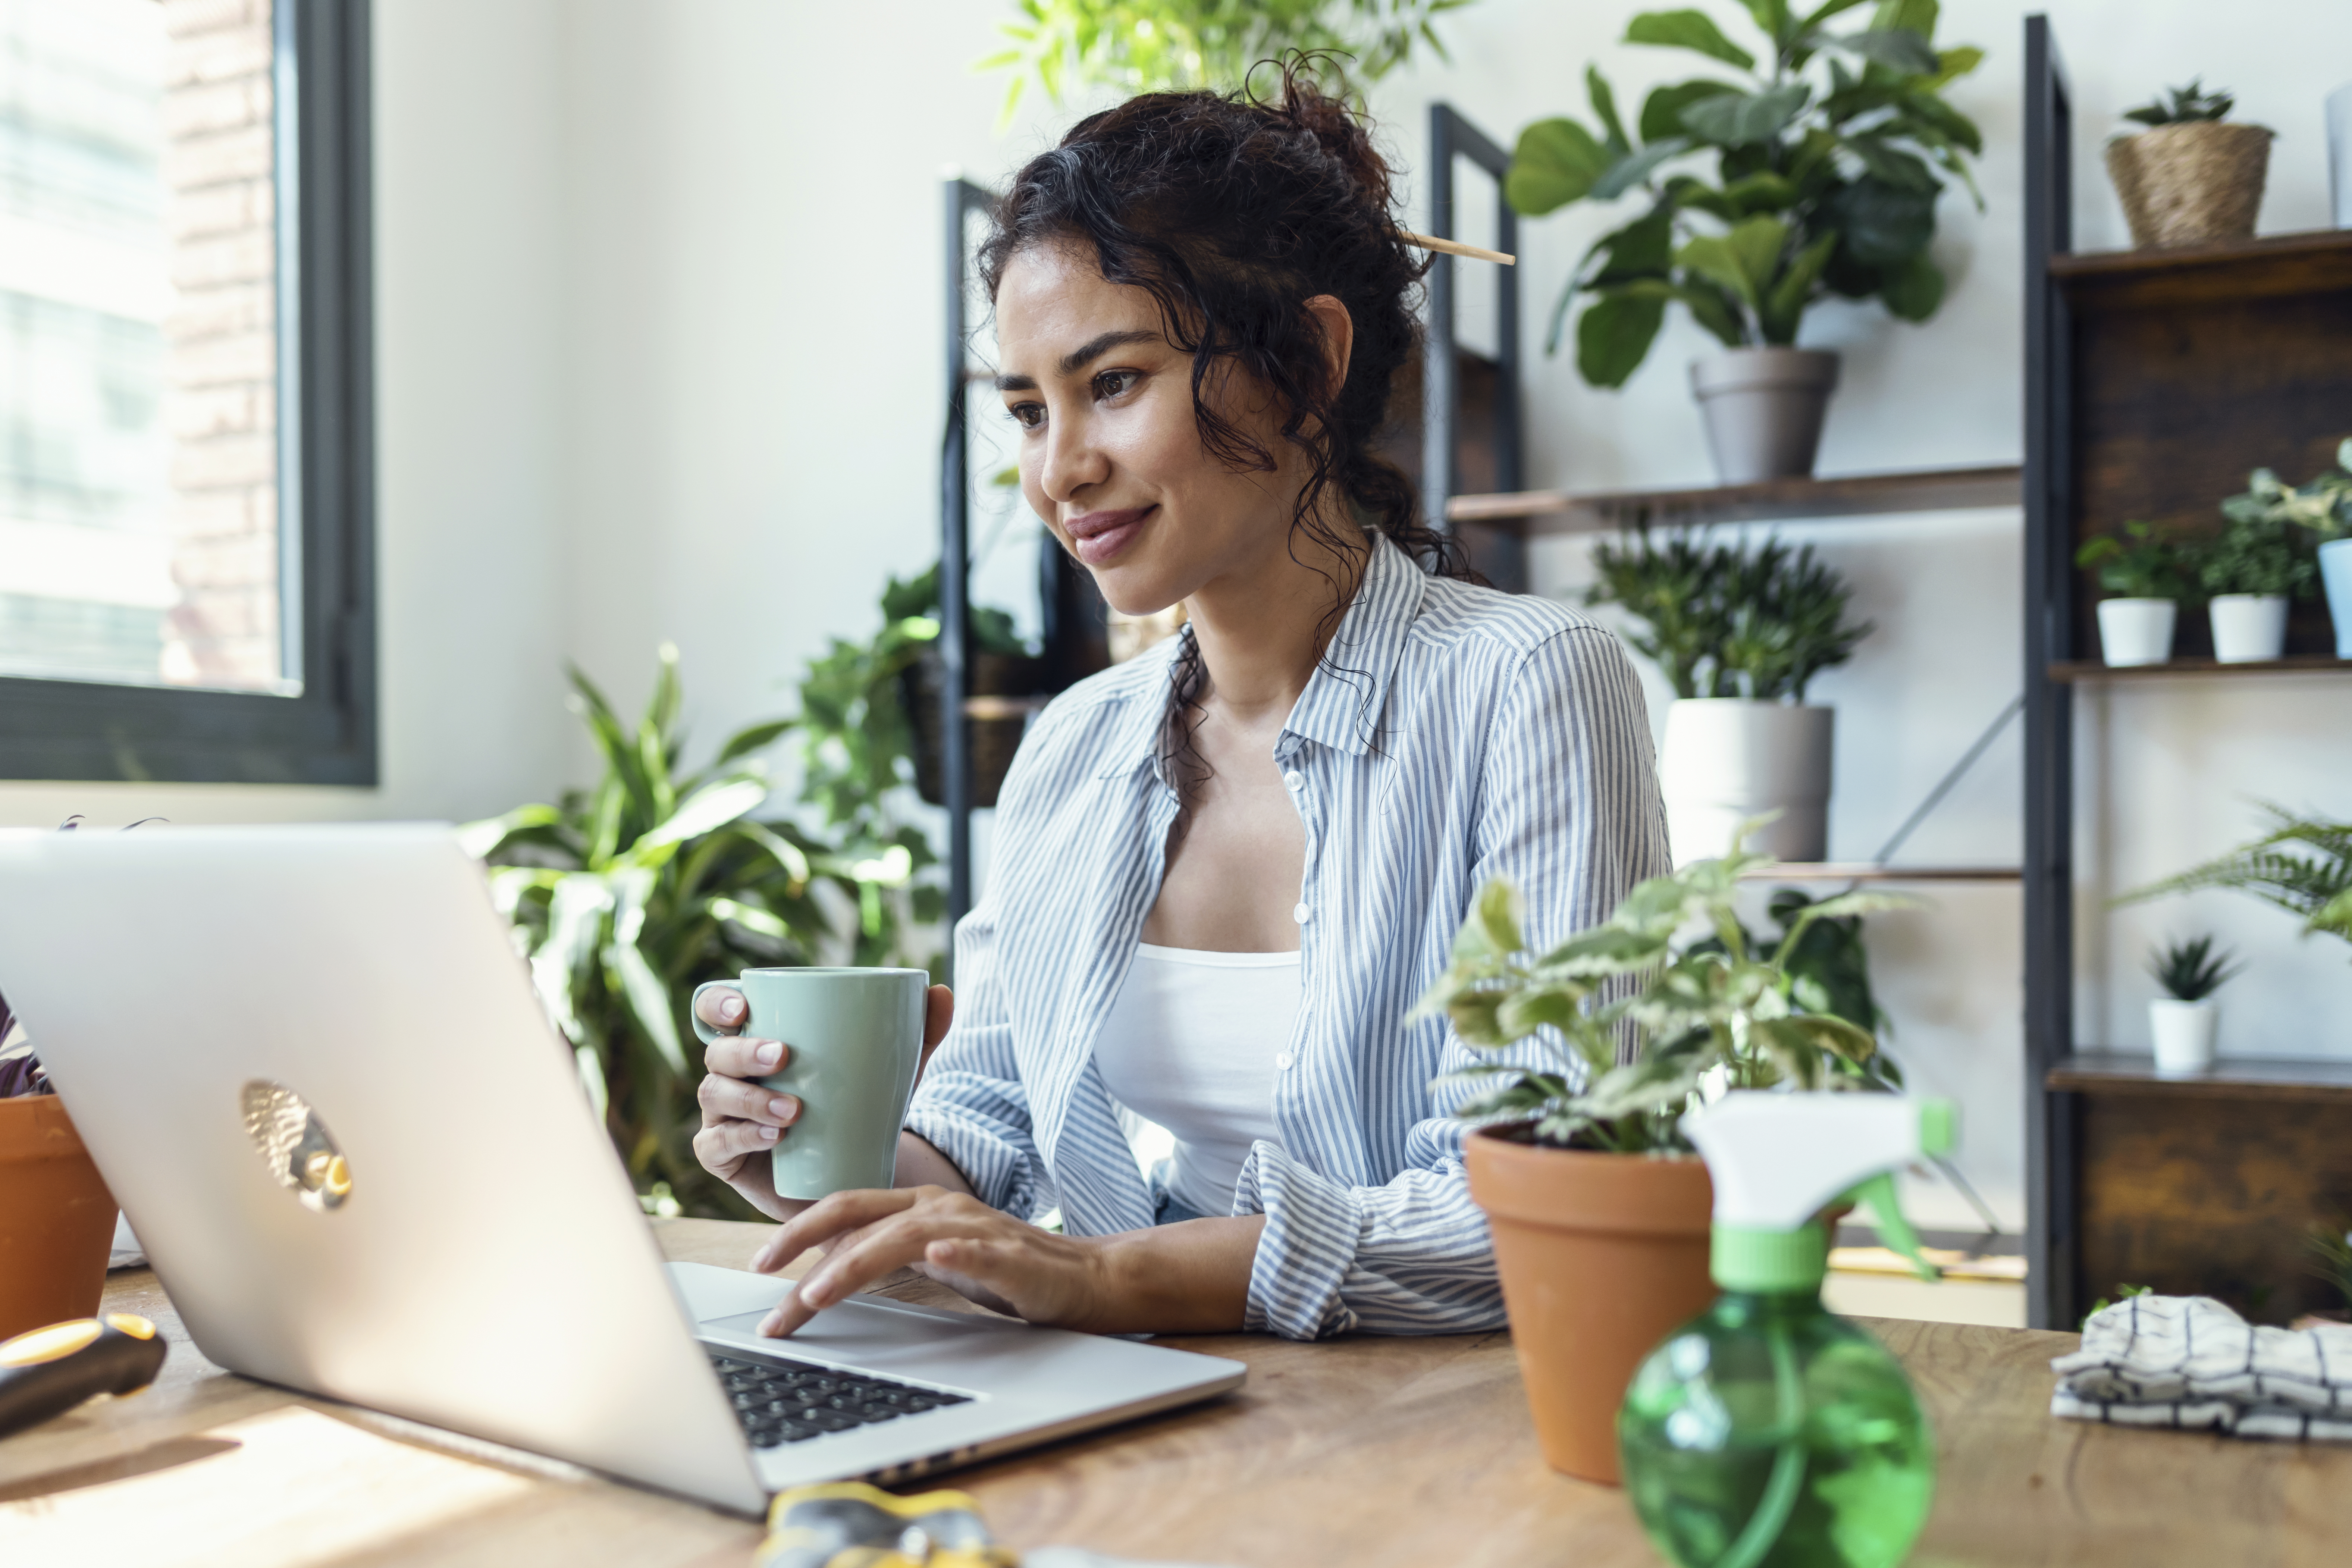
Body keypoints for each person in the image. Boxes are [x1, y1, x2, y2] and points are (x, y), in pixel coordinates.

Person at [694, 65, 1667, 1342]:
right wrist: (829, 1183)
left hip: (1433, 1439)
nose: (1059, 469)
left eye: (1113, 383)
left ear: (1311, 360)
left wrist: (1110, 1279)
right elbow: (984, 1137)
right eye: (1029, 409)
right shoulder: (1074, 748)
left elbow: (1538, 1209)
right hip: (1129, 1410)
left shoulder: (1530, 691)